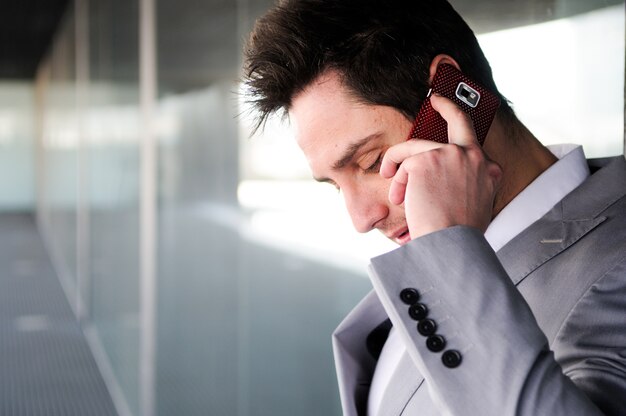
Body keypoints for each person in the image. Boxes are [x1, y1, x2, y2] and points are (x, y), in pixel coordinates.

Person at [243, 0, 626, 414]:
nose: (361, 218)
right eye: (336, 186)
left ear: (454, 95)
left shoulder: (614, 265)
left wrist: (448, 245)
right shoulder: (427, 267)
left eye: (372, 163)